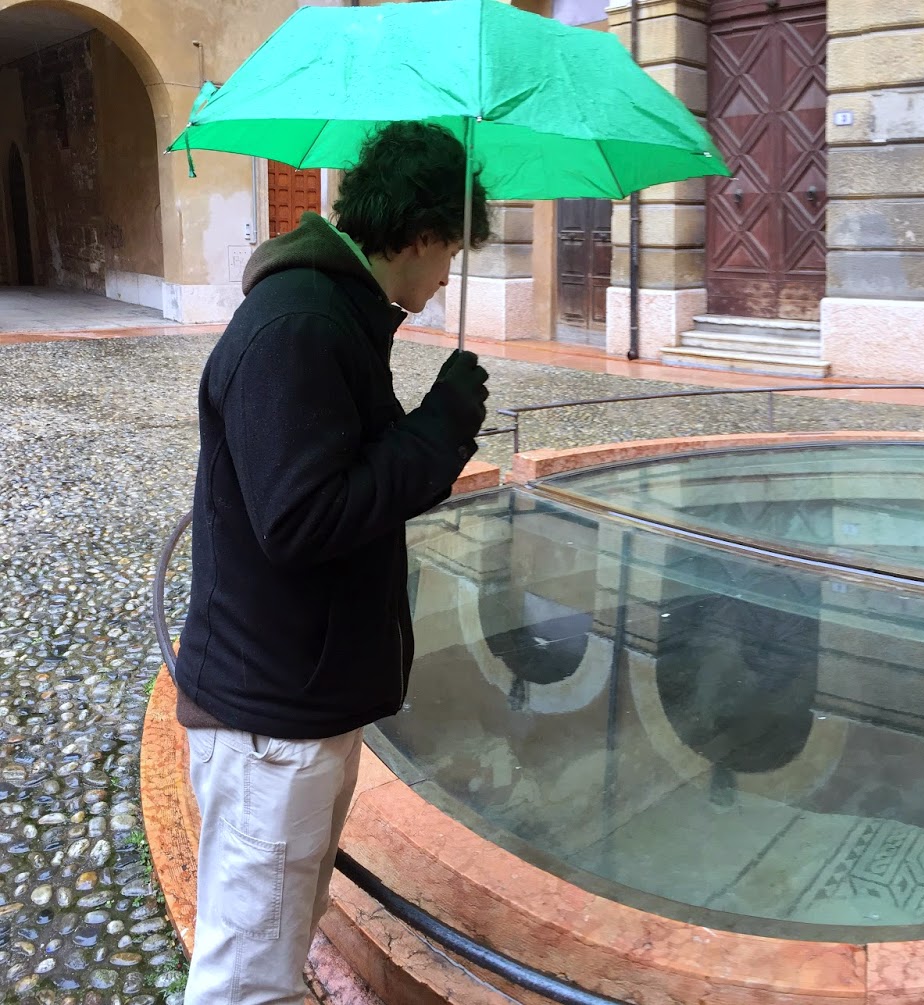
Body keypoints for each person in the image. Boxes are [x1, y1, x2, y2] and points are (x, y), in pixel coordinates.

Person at [171, 120, 492, 1004]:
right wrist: (438, 429)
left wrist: (432, 431)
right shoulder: (301, 326)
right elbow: (303, 518)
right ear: (420, 234)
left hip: (298, 702)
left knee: (277, 943)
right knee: (247, 980)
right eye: (451, 252)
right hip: (270, 719)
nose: (448, 275)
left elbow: (346, 481)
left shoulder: (339, 318)